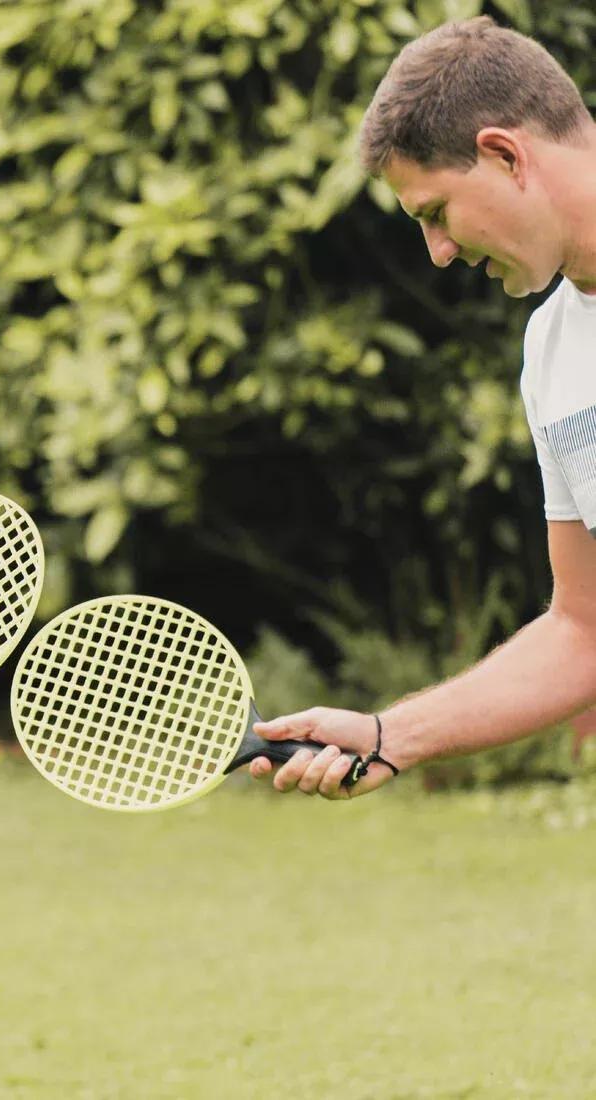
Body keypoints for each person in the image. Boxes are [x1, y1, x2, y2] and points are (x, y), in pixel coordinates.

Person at [248, 16, 596, 799]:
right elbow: (584, 629)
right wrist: (388, 735)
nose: (437, 252)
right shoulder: (551, 358)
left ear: (506, 156)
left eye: (435, 213)